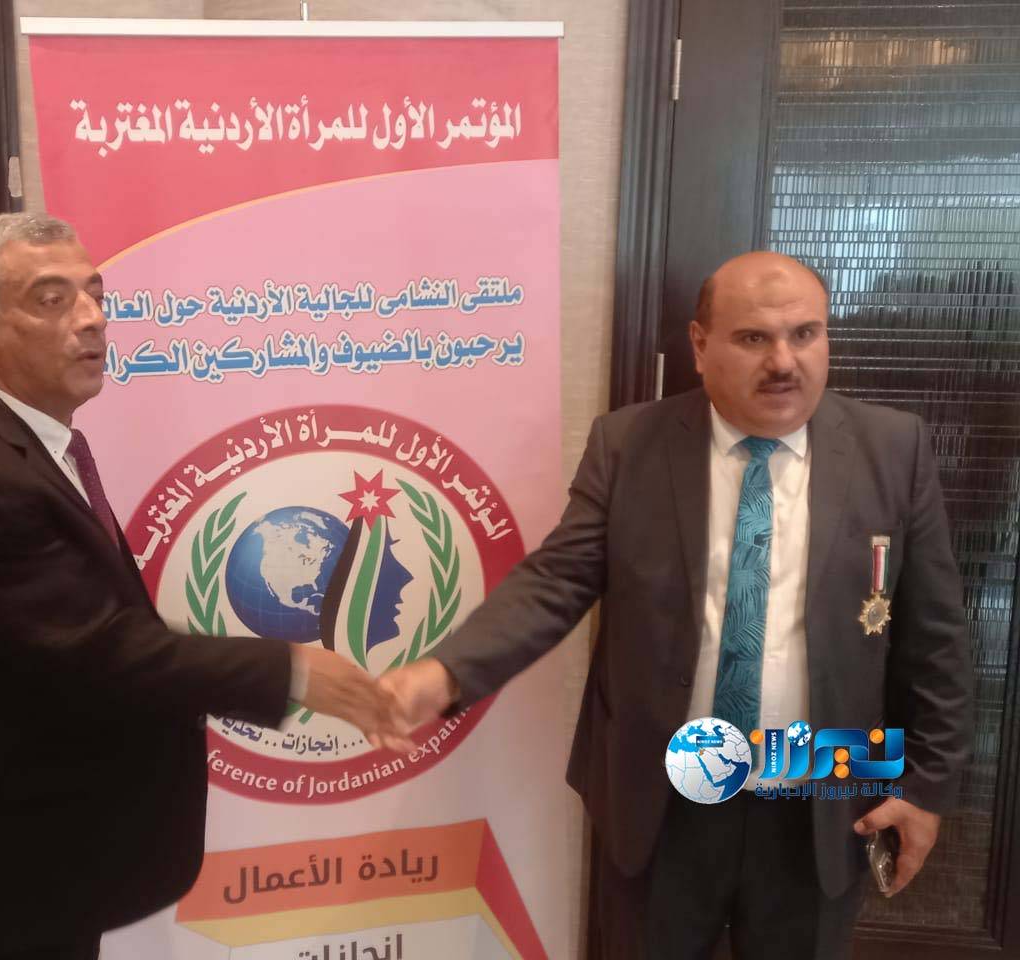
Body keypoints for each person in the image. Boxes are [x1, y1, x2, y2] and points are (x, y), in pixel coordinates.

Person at [378, 251, 972, 958]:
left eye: (805, 334)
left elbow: (935, 637)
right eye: (753, 338)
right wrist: (446, 672)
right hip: (664, 795)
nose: (784, 362)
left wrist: (927, 787)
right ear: (700, 345)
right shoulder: (629, 443)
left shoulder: (893, 447)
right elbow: (555, 581)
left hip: (826, 787)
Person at [0, 213, 404, 960]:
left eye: (95, 293)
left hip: (44, 862)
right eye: (52, 299)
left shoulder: (28, 445)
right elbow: (94, 650)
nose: (91, 318)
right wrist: (291, 671)